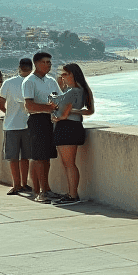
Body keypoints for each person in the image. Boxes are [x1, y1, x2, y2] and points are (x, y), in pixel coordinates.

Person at [50, 63, 94, 204]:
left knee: (69, 164)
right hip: (75, 126)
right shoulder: (83, 90)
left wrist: (60, 115)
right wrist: (73, 112)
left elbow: (62, 112)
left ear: (72, 75)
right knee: (69, 164)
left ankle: (73, 195)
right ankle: (72, 194)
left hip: (66, 128)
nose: (62, 77)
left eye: (65, 74)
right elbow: (89, 110)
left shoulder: (71, 92)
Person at [22, 52, 61, 201]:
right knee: (38, 157)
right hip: (37, 120)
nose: (48, 65)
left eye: (49, 62)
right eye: (45, 62)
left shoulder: (51, 81)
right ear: (37, 64)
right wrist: (48, 107)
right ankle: (40, 192)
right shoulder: (29, 81)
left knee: (47, 157)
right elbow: (29, 106)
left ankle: (46, 189)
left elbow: (60, 98)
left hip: (49, 121)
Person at [0, 57, 34, 195]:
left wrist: (10, 113)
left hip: (11, 125)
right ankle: (24, 184)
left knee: (13, 157)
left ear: (19, 67)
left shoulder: (8, 83)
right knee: (25, 157)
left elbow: (1, 104)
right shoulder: (33, 82)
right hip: (28, 125)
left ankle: (16, 185)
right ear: (31, 67)